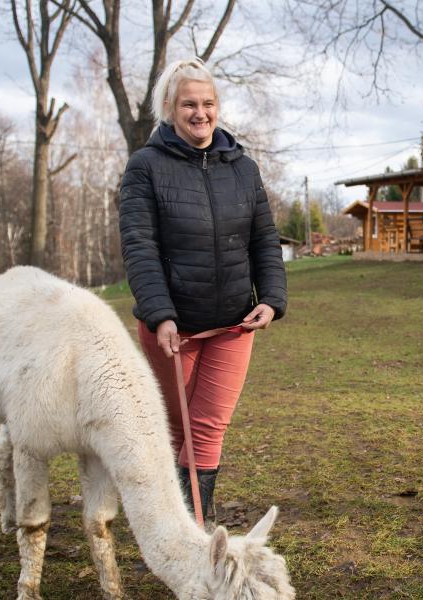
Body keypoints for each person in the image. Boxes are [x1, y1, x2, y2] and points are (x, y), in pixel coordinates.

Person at [118, 58, 286, 523]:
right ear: (170, 108)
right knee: (175, 427)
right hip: (175, 327)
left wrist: (271, 299)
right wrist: (160, 314)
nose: (200, 112)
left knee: (209, 426)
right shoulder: (145, 167)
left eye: (208, 103)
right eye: (189, 103)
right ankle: (167, 520)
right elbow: (140, 247)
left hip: (234, 322)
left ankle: (196, 526)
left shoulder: (243, 168)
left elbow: (264, 240)